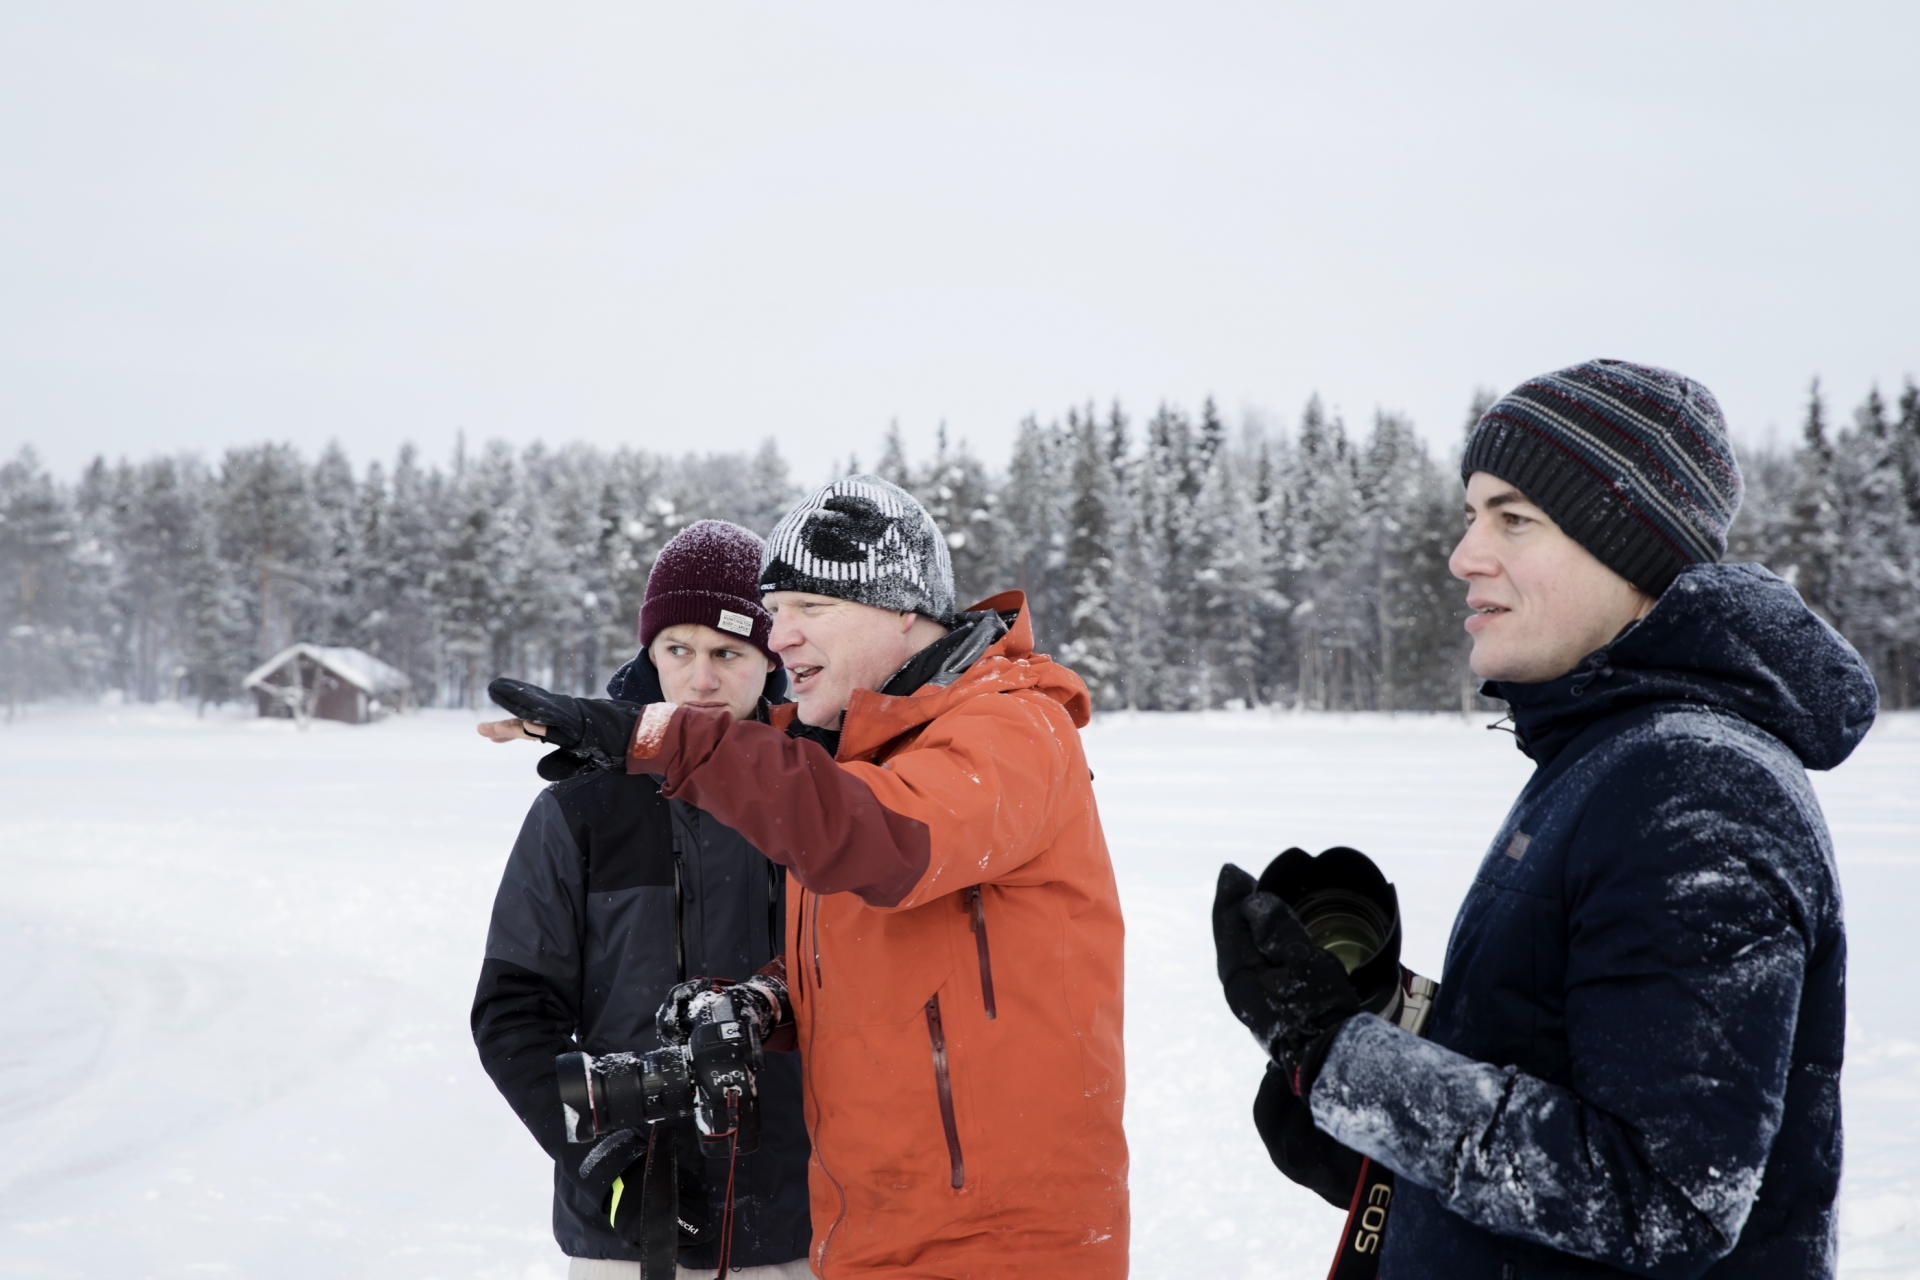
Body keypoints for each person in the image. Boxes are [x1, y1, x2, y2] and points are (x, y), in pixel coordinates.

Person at [1215, 359, 1876, 1278]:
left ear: (1628, 550)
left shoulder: (1698, 793)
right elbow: (1559, 1080)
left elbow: (1666, 1201)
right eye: (1470, 513)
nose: (1464, 554)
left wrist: (1340, 1056)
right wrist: (1375, 1104)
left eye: (1513, 518)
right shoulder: (1610, 757)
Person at [487, 475, 1128, 1279]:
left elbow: (882, 840)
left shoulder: (1006, 729)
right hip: (864, 1238)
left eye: (808, 610)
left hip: (990, 1247)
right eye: (776, 611)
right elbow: (887, 968)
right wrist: (761, 1004)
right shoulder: (863, 761)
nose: (780, 636)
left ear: (904, 609)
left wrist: (656, 737)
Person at [472, 520, 814, 1280]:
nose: (700, 680)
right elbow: (514, 1011)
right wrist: (597, 1155)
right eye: (677, 651)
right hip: (629, 1231)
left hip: (801, 1225)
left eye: (727, 653)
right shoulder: (582, 808)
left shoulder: (825, 796)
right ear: (648, 654)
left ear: (770, 661)